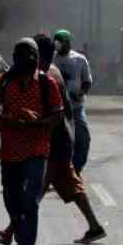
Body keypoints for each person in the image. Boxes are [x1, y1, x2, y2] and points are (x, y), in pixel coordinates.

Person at [0, 35, 106, 245]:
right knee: (69, 185)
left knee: (33, 192)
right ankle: (95, 226)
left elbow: (57, 114)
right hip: (57, 140)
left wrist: (25, 121)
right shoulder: (46, 74)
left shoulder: (47, 77)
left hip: (52, 142)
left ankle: (11, 233)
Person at [0, 39, 64, 245]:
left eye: (28, 56)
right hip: (9, 149)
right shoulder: (3, 82)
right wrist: (11, 118)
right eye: (19, 56)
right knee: (12, 197)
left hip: (37, 148)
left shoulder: (48, 83)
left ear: (36, 58)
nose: (23, 62)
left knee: (30, 199)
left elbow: (57, 115)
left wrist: (35, 121)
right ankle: (18, 230)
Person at [53, 29, 93, 174]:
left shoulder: (80, 59)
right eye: (56, 41)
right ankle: (55, 171)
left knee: (82, 139)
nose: (58, 44)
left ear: (68, 42)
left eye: (61, 41)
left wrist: (81, 93)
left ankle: (76, 170)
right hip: (56, 108)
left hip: (76, 107)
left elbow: (87, 81)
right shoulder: (50, 59)